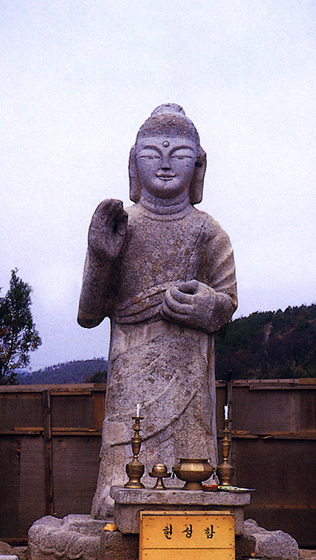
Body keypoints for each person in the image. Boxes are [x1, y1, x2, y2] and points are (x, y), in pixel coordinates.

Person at [79, 105, 238, 519]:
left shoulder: (207, 231)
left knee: (192, 471)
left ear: (199, 164)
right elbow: (89, 314)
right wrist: (100, 257)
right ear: (134, 163)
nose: (165, 163)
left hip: (188, 373)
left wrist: (206, 305)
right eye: (153, 153)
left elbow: (227, 304)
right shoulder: (123, 226)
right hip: (131, 370)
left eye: (179, 154)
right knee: (122, 465)